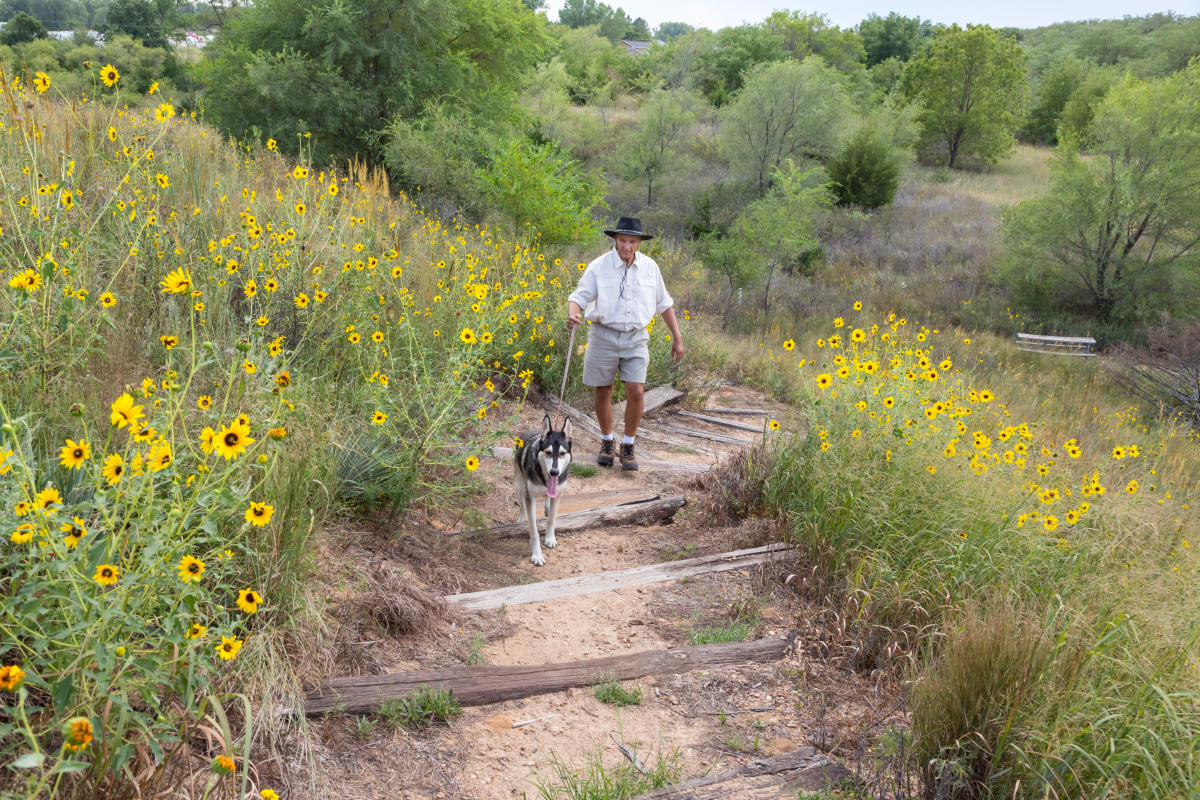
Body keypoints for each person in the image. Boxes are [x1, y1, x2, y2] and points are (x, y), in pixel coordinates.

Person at [567, 217, 684, 471]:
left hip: (636, 337)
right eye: (622, 241)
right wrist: (573, 312)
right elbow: (579, 296)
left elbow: (664, 303)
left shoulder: (651, 268)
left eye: (632, 241)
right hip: (603, 335)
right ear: (615, 240)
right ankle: (607, 441)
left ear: (639, 243)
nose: (627, 246)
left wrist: (677, 337)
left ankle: (628, 445)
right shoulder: (598, 266)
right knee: (603, 391)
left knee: (637, 391)